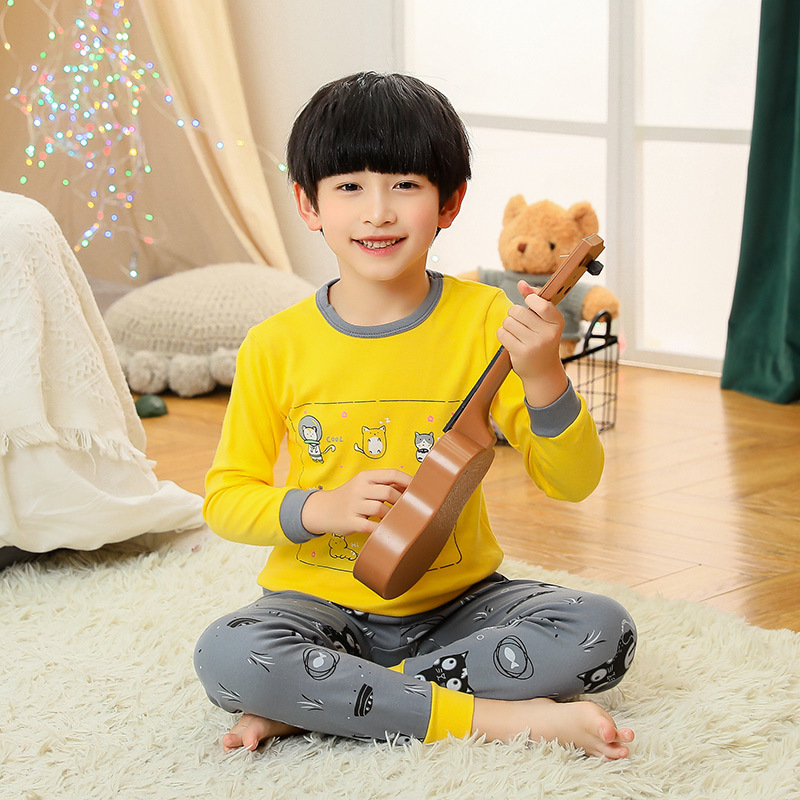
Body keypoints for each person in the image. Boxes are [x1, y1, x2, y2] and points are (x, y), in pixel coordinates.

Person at [194, 72, 637, 760]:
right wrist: (322, 508)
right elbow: (225, 499)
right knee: (228, 654)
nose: (378, 212)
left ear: (449, 202)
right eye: (349, 187)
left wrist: (545, 374)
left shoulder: (488, 321)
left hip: (461, 607)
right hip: (318, 609)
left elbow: (574, 482)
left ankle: (332, 700)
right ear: (308, 204)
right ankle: (490, 717)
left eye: (405, 185)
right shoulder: (274, 345)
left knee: (602, 629)